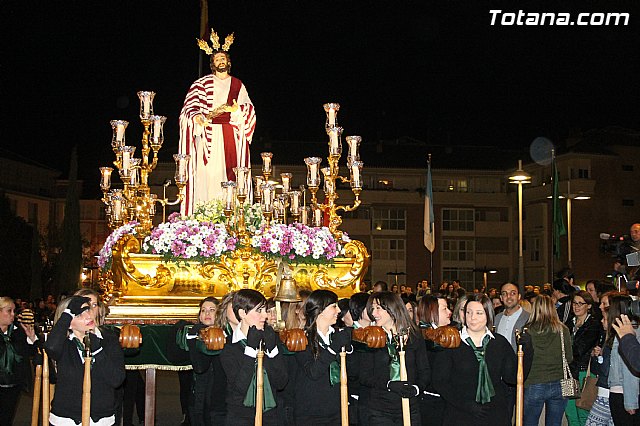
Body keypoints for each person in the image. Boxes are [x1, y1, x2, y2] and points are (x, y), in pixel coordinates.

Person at [179, 32, 256, 216]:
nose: (221, 61)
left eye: (223, 58)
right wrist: (197, 117)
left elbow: (249, 109)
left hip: (231, 135)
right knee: (208, 176)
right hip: (208, 136)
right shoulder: (201, 83)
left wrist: (236, 111)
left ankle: (232, 216)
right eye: (217, 59)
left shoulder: (238, 85)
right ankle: (206, 214)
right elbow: (189, 107)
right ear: (212, 63)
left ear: (228, 62)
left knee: (231, 174)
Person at [433, 293, 529, 425]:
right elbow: (440, 382)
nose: (473, 318)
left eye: (479, 313)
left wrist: (528, 350)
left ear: (488, 315)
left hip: (494, 414)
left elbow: (512, 378)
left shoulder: (499, 343)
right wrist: (466, 405)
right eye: (469, 312)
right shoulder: (453, 343)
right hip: (460, 414)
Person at [45, 295, 125, 425]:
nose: (88, 316)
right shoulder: (64, 343)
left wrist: (98, 351)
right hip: (66, 419)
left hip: (101, 417)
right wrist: (68, 313)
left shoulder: (109, 339)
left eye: (88, 310)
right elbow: (51, 348)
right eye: (78, 315)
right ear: (68, 323)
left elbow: (117, 379)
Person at [360, 292, 429, 425]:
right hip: (380, 410)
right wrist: (389, 385)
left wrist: (416, 388)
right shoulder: (371, 337)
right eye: (372, 309)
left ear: (392, 308)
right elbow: (364, 376)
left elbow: (424, 371)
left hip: (410, 407)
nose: (374, 313)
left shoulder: (414, 336)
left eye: (378, 308)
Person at [219, 289, 287, 425]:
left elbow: (281, 382)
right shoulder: (229, 346)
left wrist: (273, 350)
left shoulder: (269, 339)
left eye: (265, 310)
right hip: (241, 417)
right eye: (259, 310)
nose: (265, 316)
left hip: (270, 416)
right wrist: (250, 349)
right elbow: (240, 387)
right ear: (242, 313)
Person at [294, 290, 353, 425]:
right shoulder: (302, 338)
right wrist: (333, 348)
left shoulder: (338, 335)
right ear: (319, 310)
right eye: (333, 306)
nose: (338, 310)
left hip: (338, 410)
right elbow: (313, 371)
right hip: (311, 413)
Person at [523, 294, 573, 426]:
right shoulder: (563, 329)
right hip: (559, 383)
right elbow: (569, 357)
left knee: (529, 422)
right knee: (555, 423)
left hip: (534, 381)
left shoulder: (527, 330)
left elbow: (523, 358)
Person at [565, 291, 601, 426]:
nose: (577, 306)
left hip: (584, 373)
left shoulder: (594, 324)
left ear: (589, 306)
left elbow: (580, 349)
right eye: (575, 303)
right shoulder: (568, 323)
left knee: (583, 410)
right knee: (570, 412)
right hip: (568, 374)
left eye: (581, 303)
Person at [416, 295, 452, 426]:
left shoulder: (447, 335)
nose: (449, 312)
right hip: (430, 404)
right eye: (444, 309)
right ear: (431, 312)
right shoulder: (422, 340)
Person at [604, 295, 640, 425]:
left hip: (623, 394)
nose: (602, 308)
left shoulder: (629, 332)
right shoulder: (623, 332)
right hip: (619, 392)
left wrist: (630, 401)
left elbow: (630, 368)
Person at [0, 296, 36, 426]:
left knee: (7, 417)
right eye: (9, 311)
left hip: (13, 383)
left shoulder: (18, 331)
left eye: (14, 311)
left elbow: (29, 354)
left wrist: (31, 338)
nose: (13, 315)